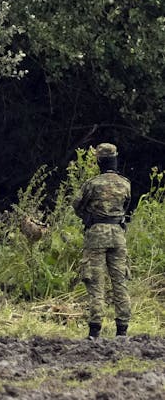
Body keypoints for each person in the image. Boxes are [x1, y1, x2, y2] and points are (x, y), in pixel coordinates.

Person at [73, 143, 131, 339]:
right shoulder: (125, 183)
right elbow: (127, 205)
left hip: (96, 233)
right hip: (118, 234)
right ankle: (122, 329)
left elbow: (77, 205)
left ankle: (95, 330)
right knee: (120, 281)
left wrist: (89, 217)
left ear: (99, 160)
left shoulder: (93, 184)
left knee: (95, 283)